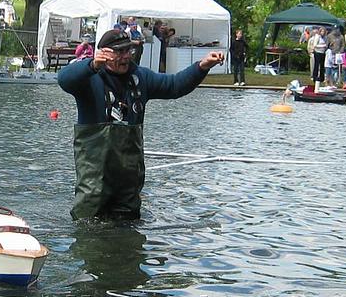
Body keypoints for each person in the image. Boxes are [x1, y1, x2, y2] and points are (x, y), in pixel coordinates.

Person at [58, 29, 224, 220]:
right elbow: (64, 79)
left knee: (129, 228)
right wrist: (92, 65)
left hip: (128, 180)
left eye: (128, 51)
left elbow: (175, 86)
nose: (126, 57)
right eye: (119, 52)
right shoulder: (88, 79)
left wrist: (202, 66)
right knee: (88, 224)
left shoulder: (140, 77)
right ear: (104, 53)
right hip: (94, 180)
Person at [311, 27, 328, 92]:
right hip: (317, 52)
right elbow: (315, 45)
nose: (323, 33)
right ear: (320, 32)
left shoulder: (325, 37)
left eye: (324, 32)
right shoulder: (317, 37)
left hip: (323, 52)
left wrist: (325, 47)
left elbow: (326, 44)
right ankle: (314, 77)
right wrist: (322, 46)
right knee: (316, 64)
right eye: (322, 32)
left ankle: (321, 77)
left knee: (322, 65)